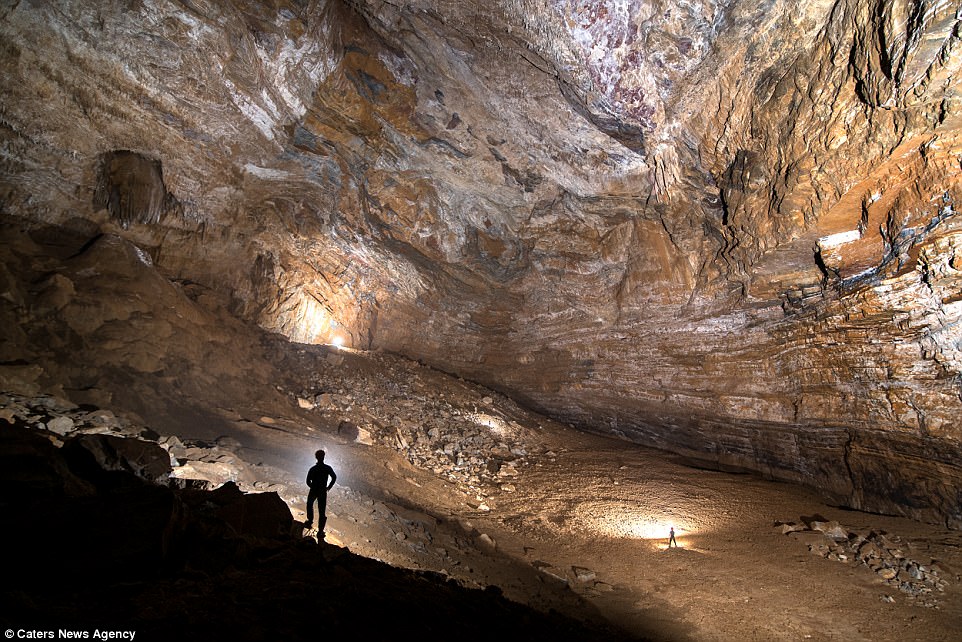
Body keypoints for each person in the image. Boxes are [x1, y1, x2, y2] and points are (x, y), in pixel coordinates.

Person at [306, 449, 337, 535]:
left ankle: (310, 521)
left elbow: (308, 481)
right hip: (322, 491)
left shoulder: (313, 469)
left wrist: (313, 487)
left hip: (314, 490)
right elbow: (334, 477)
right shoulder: (327, 468)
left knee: (309, 504)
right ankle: (320, 531)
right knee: (322, 511)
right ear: (324, 457)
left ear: (316, 457)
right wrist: (328, 487)